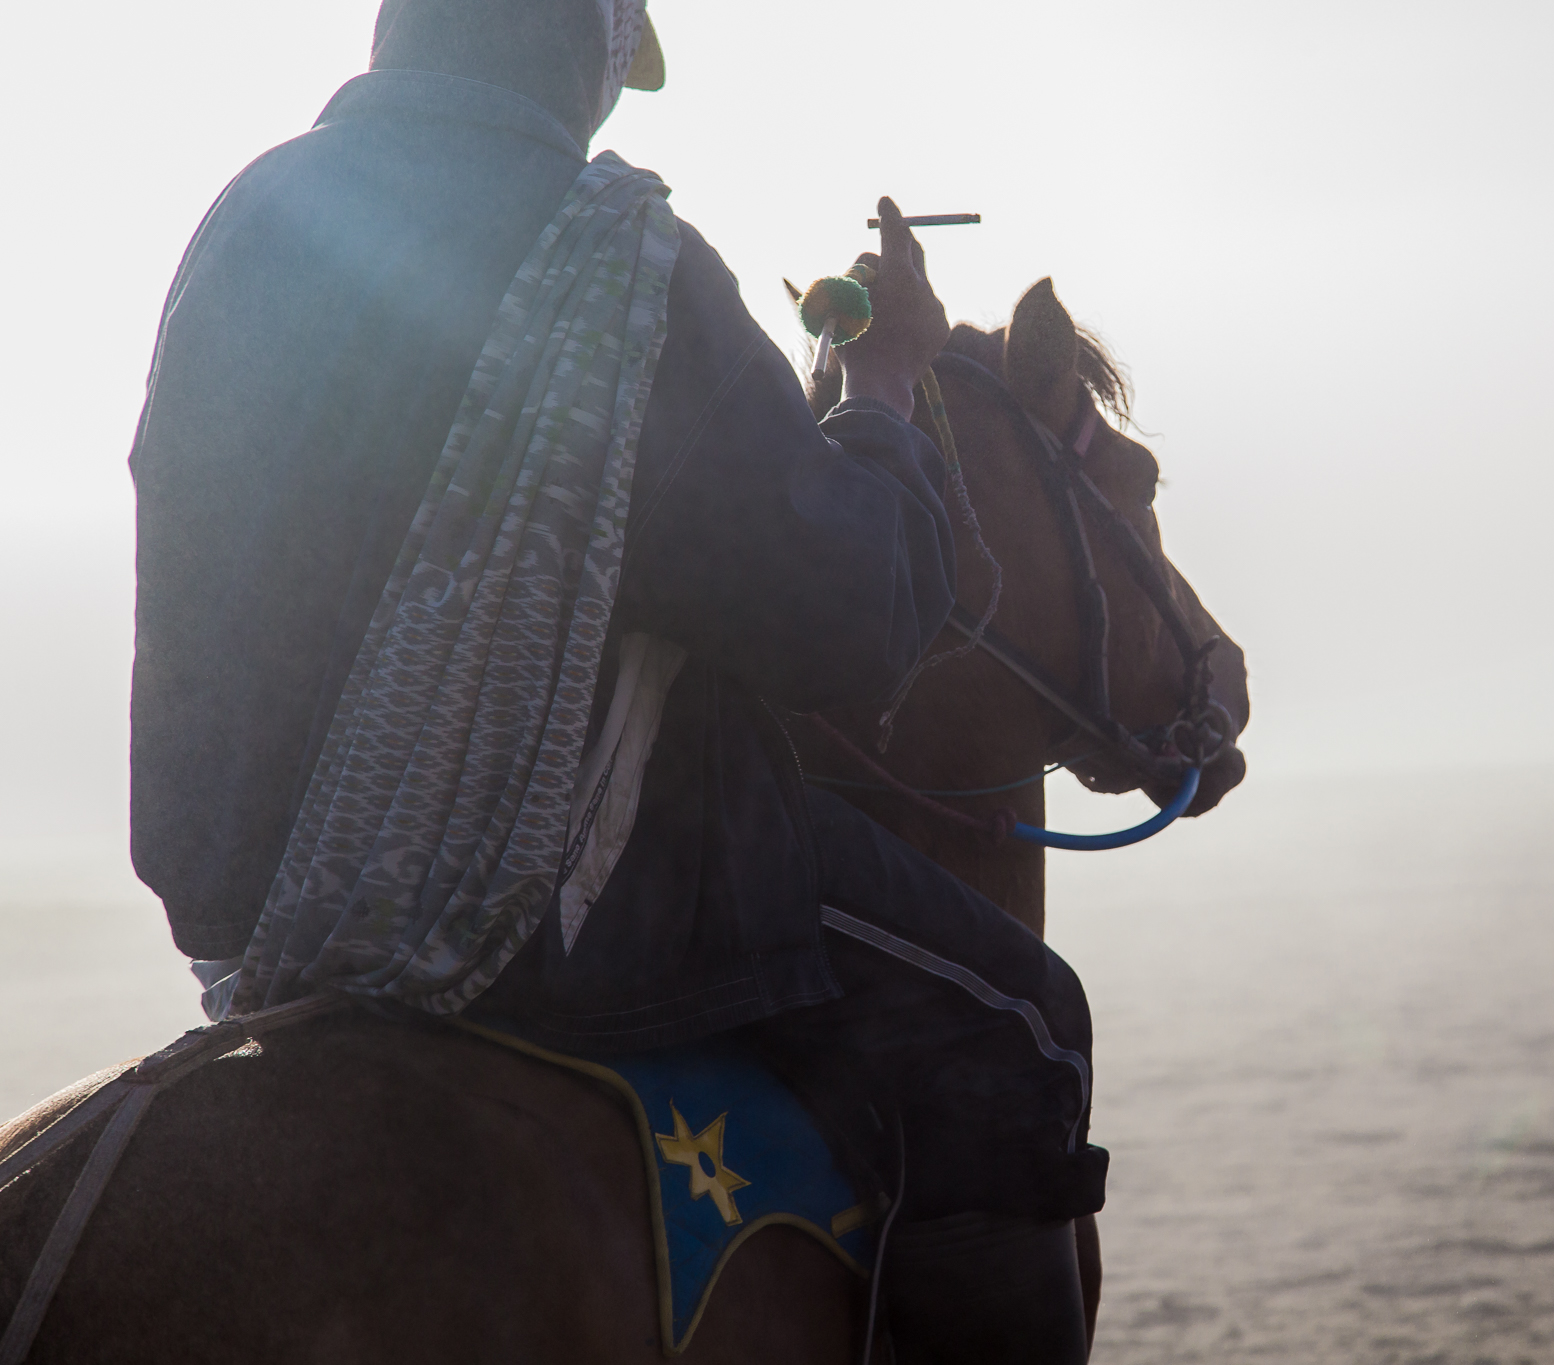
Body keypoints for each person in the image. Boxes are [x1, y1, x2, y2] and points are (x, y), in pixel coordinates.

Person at [127, 1, 1099, 1359]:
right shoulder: (612, 267)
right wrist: (877, 392)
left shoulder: (244, 224)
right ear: (580, 49)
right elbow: (849, 623)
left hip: (265, 920)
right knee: (1027, 1025)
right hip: (545, 908)